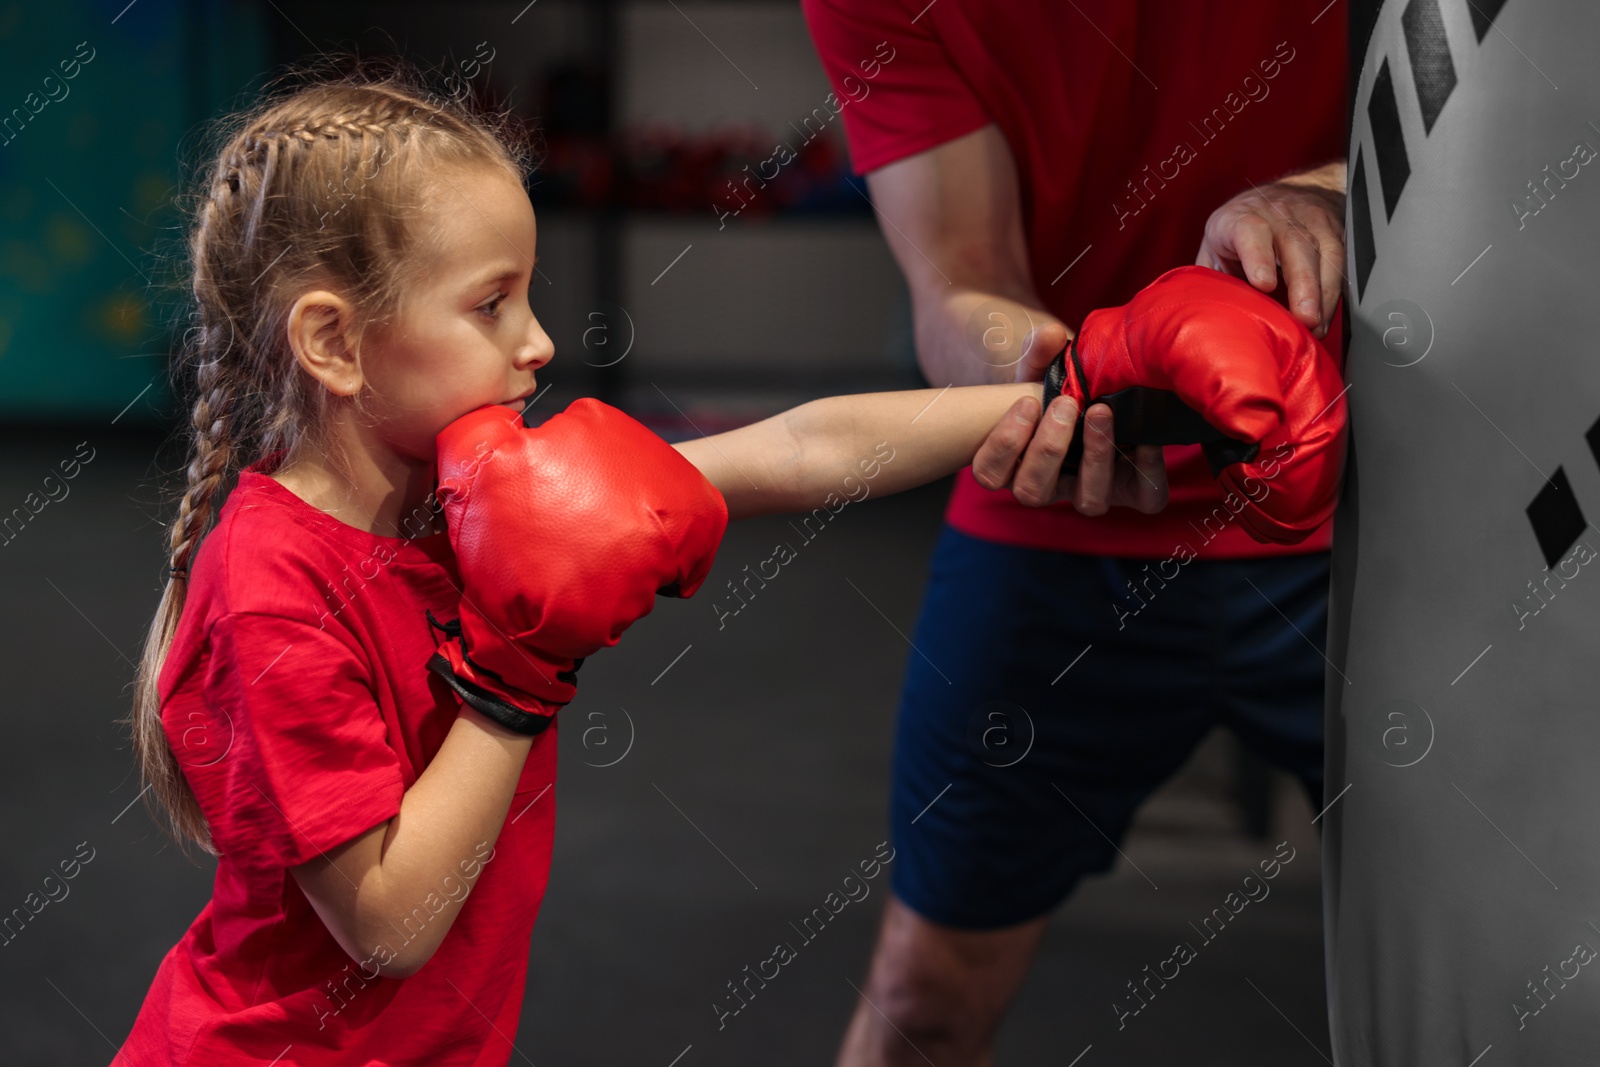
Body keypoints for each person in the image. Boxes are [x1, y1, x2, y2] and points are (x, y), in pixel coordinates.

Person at [111, 70, 1108, 1067]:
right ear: (334, 340)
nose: (538, 341)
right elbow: (389, 922)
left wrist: (1075, 388)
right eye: (490, 304)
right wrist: (510, 678)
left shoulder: (478, 497)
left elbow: (798, 450)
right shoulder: (269, 591)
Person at [799, 2, 1349, 1062]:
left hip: (1367, 519)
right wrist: (1055, 371)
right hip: (1058, 520)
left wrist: (1328, 196)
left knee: (1490, 976)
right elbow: (958, 278)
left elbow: (1508, 114)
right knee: (924, 997)